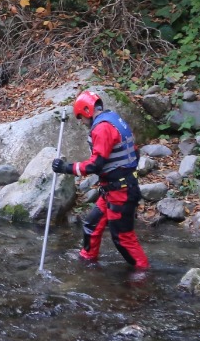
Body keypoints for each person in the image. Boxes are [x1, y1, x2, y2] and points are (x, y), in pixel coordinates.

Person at [52, 92, 149, 269]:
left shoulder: (102, 128)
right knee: (91, 225)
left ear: (87, 111)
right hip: (113, 189)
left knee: (122, 238)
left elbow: (94, 165)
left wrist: (66, 168)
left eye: (81, 118)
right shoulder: (113, 119)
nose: (81, 122)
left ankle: (142, 275)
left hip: (121, 192)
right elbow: (135, 152)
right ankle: (87, 260)